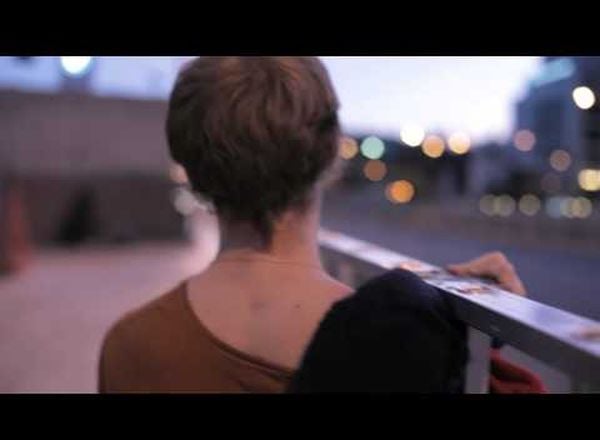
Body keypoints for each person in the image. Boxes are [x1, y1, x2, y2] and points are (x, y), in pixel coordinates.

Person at [98, 57, 528, 393]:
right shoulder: (405, 346)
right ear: (331, 155)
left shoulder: (130, 346)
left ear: (189, 170)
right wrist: (469, 326)